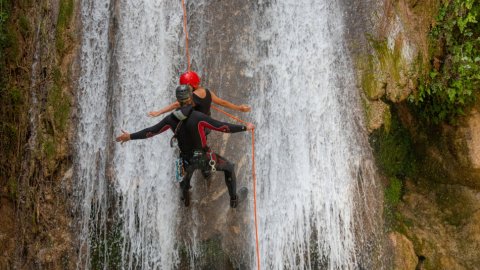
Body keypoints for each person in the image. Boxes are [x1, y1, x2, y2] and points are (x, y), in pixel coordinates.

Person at [116, 85, 255, 208]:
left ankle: (185, 195)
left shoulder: (170, 119)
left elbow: (151, 131)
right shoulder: (199, 117)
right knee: (229, 168)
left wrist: (129, 136)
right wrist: (245, 127)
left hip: (185, 161)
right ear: (191, 99)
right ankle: (234, 200)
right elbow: (223, 127)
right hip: (202, 158)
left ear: (178, 100)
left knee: (185, 175)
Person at [148, 71, 251, 117]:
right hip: (207, 125)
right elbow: (222, 102)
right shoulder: (207, 92)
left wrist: (158, 112)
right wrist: (239, 108)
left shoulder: (192, 97)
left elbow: (176, 104)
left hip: (195, 127)